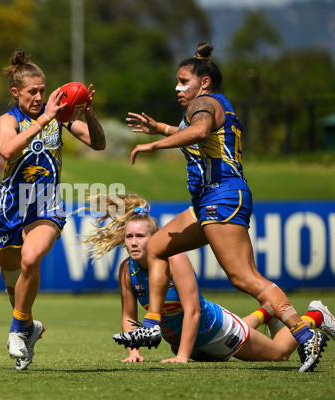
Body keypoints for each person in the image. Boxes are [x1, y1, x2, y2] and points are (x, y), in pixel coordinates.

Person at [121, 42, 328, 372]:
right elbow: (200, 132)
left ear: (203, 82)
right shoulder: (214, 104)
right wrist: (160, 127)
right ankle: (153, 324)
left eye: (183, 80)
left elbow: (199, 130)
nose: (177, 87)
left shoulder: (202, 103)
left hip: (221, 197)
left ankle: (304, 334)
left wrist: (154, 143)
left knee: (244, 277)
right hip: (210, 200)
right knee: (157, 247)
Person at [83, 193, 334, 365]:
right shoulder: (127, 269)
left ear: (155, 238)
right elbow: (129, 315)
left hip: (218, 332)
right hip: (191, 344)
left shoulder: (175, 259)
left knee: (279, 354)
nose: (134, 242)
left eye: (140, 236)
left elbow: (192, 311)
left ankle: (316, 316)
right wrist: (134, 352)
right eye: (129, 237)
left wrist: (182, 356)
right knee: (250, 336)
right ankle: (266, 312)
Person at [0, 49, 106, 370]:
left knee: (31, 258)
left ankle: (16, 331)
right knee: (14, 290)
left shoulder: (60, 117)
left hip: (47, 206)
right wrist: (43, 120)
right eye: (33, 91)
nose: (40, 96)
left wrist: (88, 114)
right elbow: (7, 149)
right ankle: (30, 328)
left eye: (43, 90)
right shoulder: (9, 120)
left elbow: (98, 144)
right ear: (16, 93)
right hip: (10, 210)